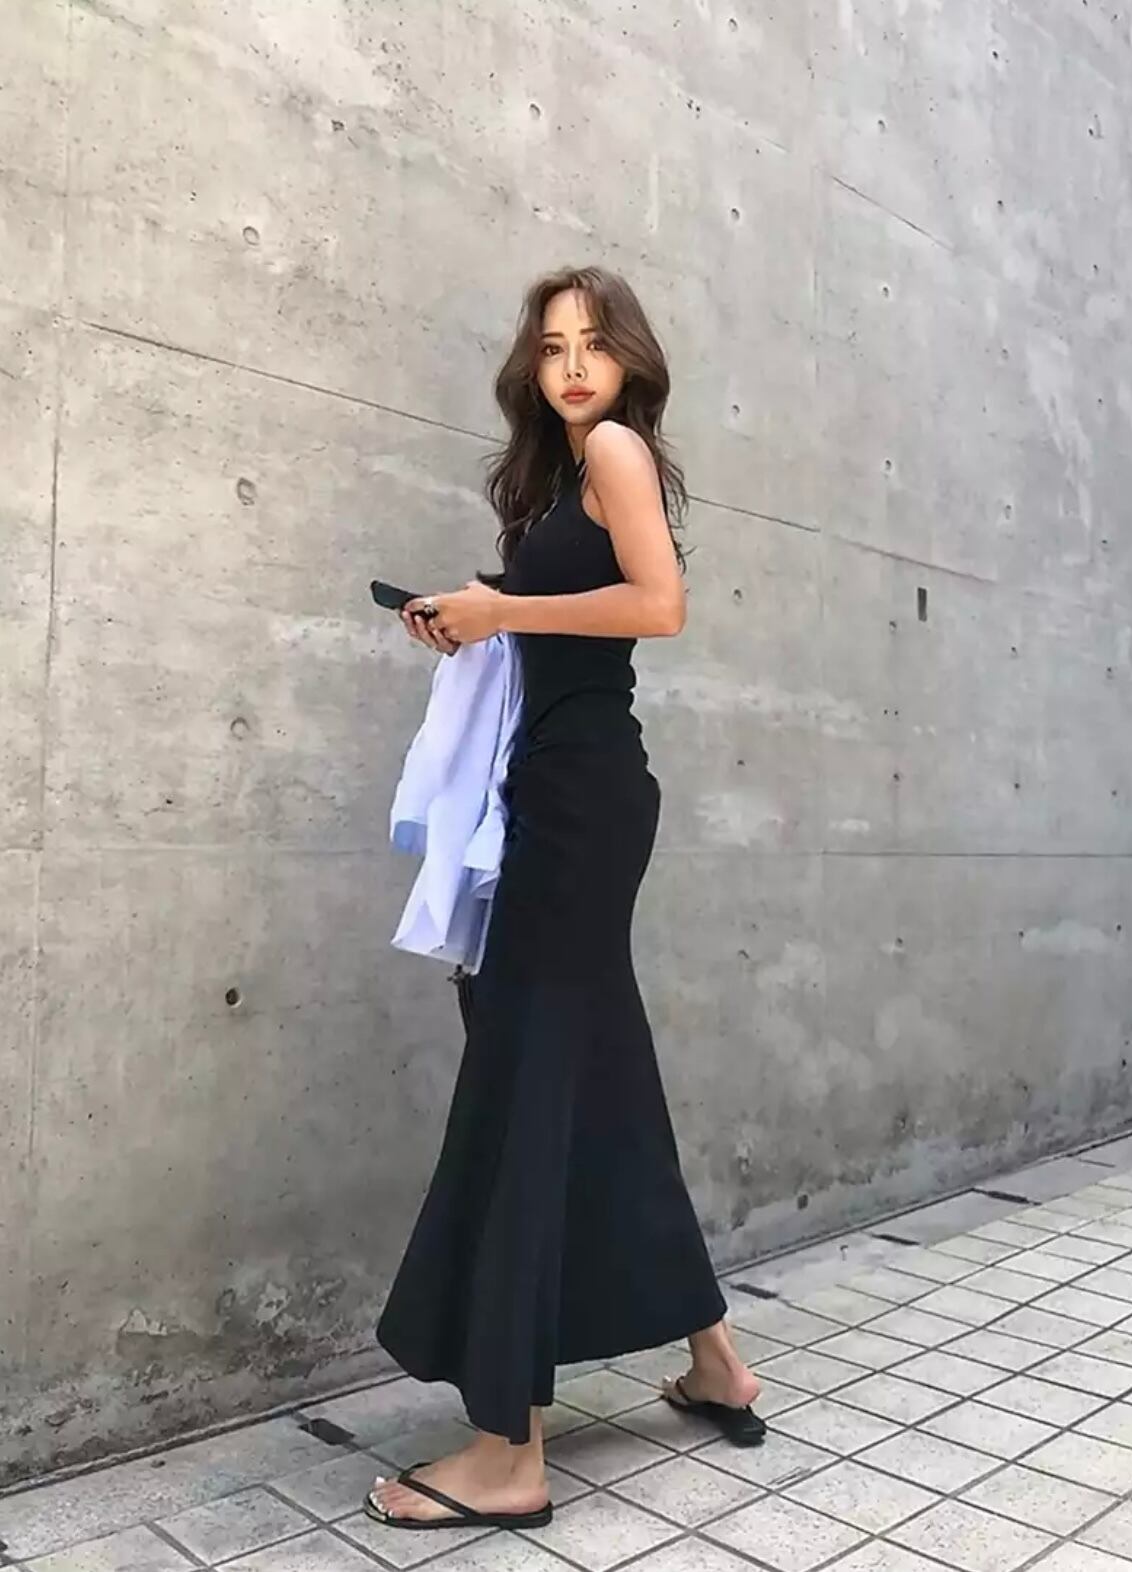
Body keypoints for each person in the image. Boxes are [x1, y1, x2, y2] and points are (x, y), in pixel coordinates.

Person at [366, 266, 763, 1532]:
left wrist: (502, 607)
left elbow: (659, 605)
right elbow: (562, 622)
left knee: (524, 1079)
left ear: (629, 359)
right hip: (564, 788)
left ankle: (509, 1454)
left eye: (594, 343)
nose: (574, 365)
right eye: (551, 348)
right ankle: (714, 1361)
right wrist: (476, 620)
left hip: (579, 804)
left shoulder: (615, 451)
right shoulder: (562, 477)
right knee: (598, 1074)